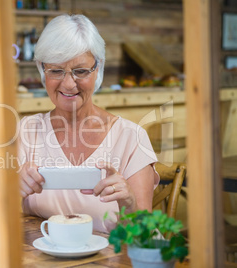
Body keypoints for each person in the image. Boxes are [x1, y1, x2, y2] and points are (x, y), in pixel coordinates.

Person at [17, 14, 160, 233]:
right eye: (55, 70)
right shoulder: (27, 131)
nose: (68, 83)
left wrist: (129, 203)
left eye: (81, 71)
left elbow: (144, 234)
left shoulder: (131, 138)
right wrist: (11, 190)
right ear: (41, 70)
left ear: (98, 68)